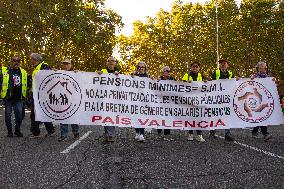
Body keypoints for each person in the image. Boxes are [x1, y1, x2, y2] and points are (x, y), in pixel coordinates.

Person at [0, 56, 28, 137]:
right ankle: (9, 132)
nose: (16, 62)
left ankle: (17, 130)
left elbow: (32, 81)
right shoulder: (4, 70)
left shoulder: (23, 72)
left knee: (19, 115)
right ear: (11, 61)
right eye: (14, 60)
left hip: (19, 98)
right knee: (8, 116)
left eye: (18, 61)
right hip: (8, 98)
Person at [209, 59, 236, 141]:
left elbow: (234, 82)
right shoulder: (216, 73)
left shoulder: (231, 73)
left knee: (227, 115)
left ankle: (227, 133)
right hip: (217, 97)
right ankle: (212, 132)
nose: (223, 65)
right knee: (215, 114)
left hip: (227, 98)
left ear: (228, 65)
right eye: (221, 63)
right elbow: (212, 83)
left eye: (224, 63)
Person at [29, 53, 55, 137]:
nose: (30, 61)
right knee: (38, 112)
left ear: (35, 59)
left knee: (36, 112)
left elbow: (48, 79)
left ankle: (36, 132)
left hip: (42, 95)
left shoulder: (44, 66)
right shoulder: (36, 67)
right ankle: (49, 130)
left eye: (31, 59)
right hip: (35, 94)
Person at [182, 61, 206, 142]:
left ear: (199, 68)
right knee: (190, 116)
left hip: (199, 99)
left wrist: (206, 82)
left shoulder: (201, 76)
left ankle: (199, 134)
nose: (195, 68)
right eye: (193, 66)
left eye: (196, 66)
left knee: (199, 117)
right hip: (189, 99)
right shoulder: (187, 75)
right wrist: (186, 82)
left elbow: (206, 84)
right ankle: (190, 133)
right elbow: (181, 85)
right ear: (191, 67)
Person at [98, 56, 119, 142]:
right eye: (109, 61)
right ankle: (107, 133)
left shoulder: (119, 72)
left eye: (112, 61)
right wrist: (97, 74)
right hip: (104, 98)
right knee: (106, 116)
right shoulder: (102, 71)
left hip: (114, 99)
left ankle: (110, 135)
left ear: (115, 63)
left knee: (112, 116)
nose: (111, 62)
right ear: (107, 63)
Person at [58, 59, 80, 141]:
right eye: (64, 64)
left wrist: (78, 74)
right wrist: (52, 72)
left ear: (71, 65)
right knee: (63, 117)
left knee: (73, 117)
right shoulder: (58, 73)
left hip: (73, 100)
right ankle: (64, 135)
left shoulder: (75, 73)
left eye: (67, 64)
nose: (66, 65)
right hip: (62, 100)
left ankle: (76, 131)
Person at [250, 61, 273, 141]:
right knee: (261, 115)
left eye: (262, 67)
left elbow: (271, 87)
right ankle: (265, 134)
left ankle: (255, 131)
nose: (261, 68)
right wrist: (252, 79)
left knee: (260, 115)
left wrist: (273, 81)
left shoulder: (267, 77)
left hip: (265, 99)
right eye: (259, 67)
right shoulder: (255, 76)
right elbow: (250, 84)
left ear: (265, 68)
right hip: (257, 98)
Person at [131, 61, 149, 142]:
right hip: (134, 99)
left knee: (142, 116)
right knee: (135, 117)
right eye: (140, 67)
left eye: (143, 67)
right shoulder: (134, 75)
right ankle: (137, 132)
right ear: (137, 68)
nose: (141, 68)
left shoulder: (147, 76)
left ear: (145, 68)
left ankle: (142, 134)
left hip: (143, 100)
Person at [157, 66, 175, 141]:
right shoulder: (159, 79)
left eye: (168, 71)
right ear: (162, 72)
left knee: (169, 118)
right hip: (160, 102)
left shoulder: (172, 79)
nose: (166, 72)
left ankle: (167, 134)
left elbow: (179, 87)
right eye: (165, 71)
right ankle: (159, 132)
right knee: (161, 117)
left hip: (169, 102)